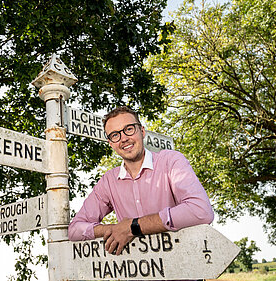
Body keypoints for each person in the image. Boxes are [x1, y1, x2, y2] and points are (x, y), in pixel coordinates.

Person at [68, 106, 214, 256]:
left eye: (129, 129)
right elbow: (74, 230)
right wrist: (115, 229)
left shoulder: (171, 161)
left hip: (183, 271)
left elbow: (201, 211)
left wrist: (133, 227)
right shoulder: (108, 182)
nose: (124, 138)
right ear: (111, 143)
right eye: (115, 135)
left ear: (142, 131)